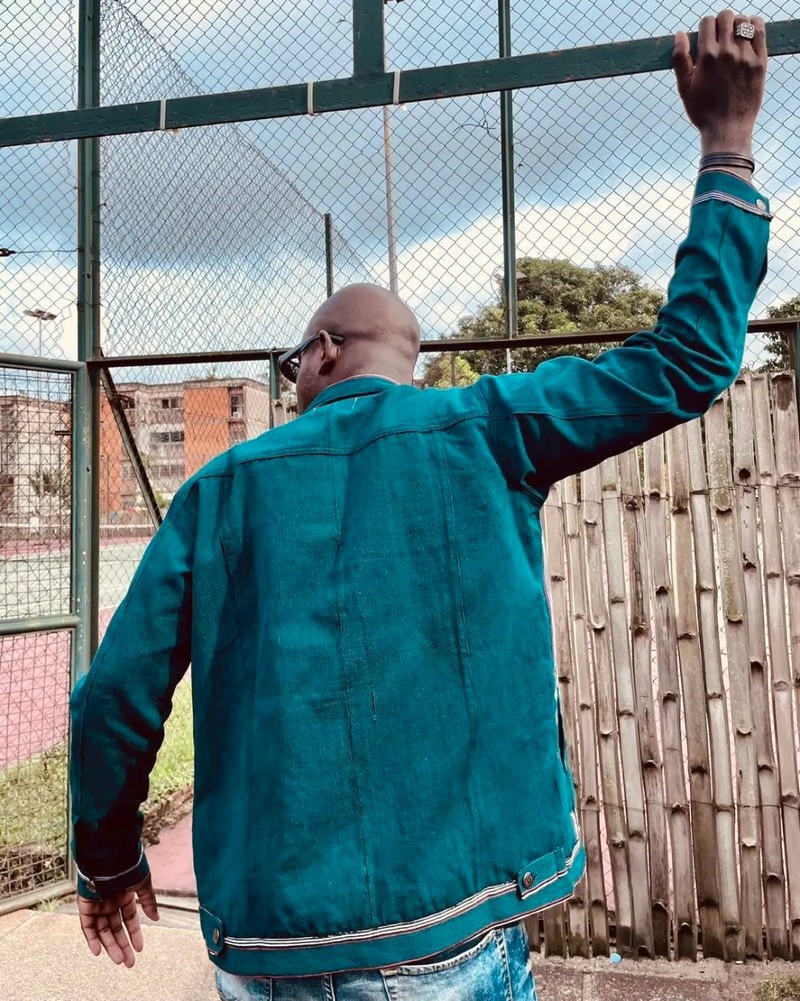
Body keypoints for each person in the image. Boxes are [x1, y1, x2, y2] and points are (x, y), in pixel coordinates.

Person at [70, 11, 769, 999]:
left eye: (292, 360)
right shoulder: (491, 429)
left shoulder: (219, 489)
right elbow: (688, 359)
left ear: (321, 352)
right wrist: (726, 142)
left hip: (268, 942)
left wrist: (107, 864)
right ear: (410, 364)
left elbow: (114, 696)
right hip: (454, 926)